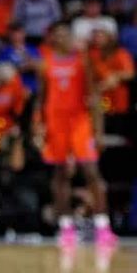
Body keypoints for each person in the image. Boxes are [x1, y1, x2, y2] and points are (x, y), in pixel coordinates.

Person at [34, 21, 116, 248]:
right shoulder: (45, 63)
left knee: (91, 171)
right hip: (55, 123)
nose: (63, 39)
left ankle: (103, 226)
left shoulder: (83, 61)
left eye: (65, 35)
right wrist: (38, 125)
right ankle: (66, 226)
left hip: (79, 122)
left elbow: (94, 96)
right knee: (60, 174)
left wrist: (98, 131)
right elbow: (40, 99)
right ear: (53, 40)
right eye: (58, 35)